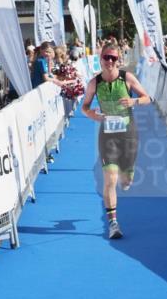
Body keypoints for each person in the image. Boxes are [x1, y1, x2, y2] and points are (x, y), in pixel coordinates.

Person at [81, 40, 151, 240]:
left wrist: (134, 100)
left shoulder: (127, 78)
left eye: (113, 58)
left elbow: (147, 98)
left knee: (125, 180)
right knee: (110, 179)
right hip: (107, 135)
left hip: (128, 134)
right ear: (101, 59)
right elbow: (84, 107)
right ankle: (113, 223)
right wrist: (92, 115)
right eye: (106, 57)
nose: (110, 61)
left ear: (118, 60)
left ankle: (128, 171)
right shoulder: (94, 83)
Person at [53, 44, 84, 116]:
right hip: (66, 83)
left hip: (70, 82)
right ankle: (69, 112)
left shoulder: (67, 62)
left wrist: (74, 74)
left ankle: (71, 109)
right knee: (68, 98)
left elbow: (72, 70)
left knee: (72, 96)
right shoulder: (58, 64)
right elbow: (58, 74)